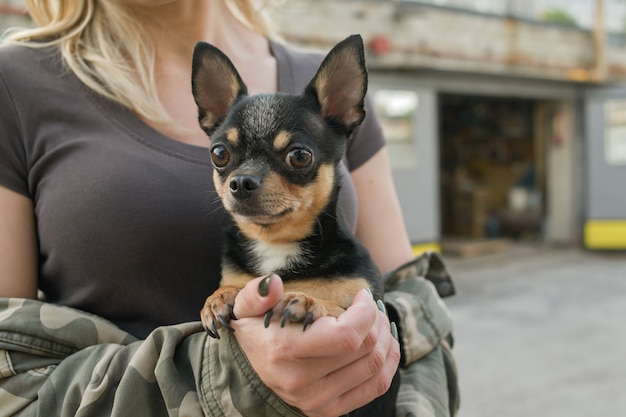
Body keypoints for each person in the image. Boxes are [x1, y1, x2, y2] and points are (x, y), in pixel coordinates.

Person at [0, 1, 459, 416]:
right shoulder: (17, 83)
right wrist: (231, 379)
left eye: (296, 159)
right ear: (211, 113)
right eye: (224, 157)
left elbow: (416, 316)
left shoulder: (322, 95)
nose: (244, 179)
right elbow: (10, 378)